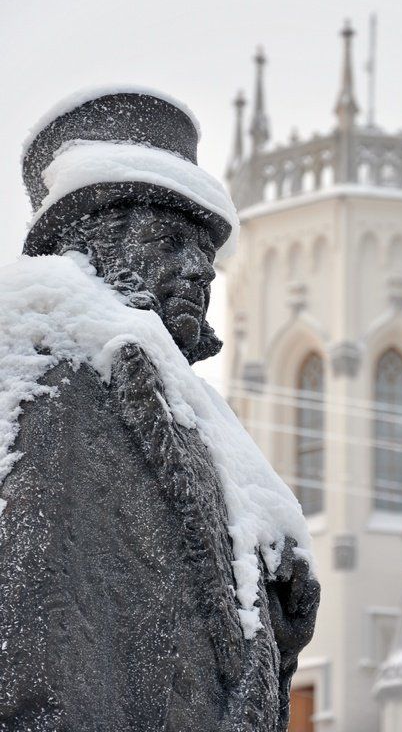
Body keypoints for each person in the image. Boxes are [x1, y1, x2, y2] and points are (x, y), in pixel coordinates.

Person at [0, 88, 319, 732]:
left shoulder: (196, 419)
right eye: (171, 242)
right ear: (94, 248)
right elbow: (34, 626)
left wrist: (277, 601)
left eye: (206, 251)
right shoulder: (58, 380)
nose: (202, 271)